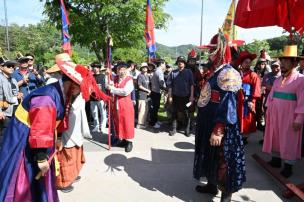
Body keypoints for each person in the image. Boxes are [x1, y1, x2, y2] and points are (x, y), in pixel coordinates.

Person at [0, 53, 110, 201]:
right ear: (70, 84)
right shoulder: (46, 98)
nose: (80, 93)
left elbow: (58, 119)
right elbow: (40, 130)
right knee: (24, 179)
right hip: (24, 138)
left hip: (40, 138)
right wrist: (41, 158)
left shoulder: (63, 94)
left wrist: (57, 138)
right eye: (79, 89)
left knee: (41, 180)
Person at [193, 32, 245, 202]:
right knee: (210, 155)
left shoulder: (228, 73)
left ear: (220, 51)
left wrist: (219, 128)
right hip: (208, 121)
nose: (209, 54)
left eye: (212, 50)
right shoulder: (216, 71)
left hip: (221, 125)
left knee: (224, 160)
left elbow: (228, 103)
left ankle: (226, 196)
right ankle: (211, 185)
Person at [263, 45, 304, 178]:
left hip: (290, 116)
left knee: (289, 139)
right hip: (275, 115)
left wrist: (299, 119)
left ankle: (288, 166)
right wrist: (268, 109)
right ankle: (276, 159)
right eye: (283, 60)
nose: (283, 63)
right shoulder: (278, 80)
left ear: (295, 62)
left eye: (287, 60)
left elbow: (302, 102)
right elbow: (271, 96)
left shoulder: (301, 80)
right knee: (275, 136)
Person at [56, 74, 92, 193]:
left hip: (77, 131)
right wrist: (59, 137)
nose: (78, 87)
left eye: (79, 85)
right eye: (75, 85)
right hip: (66, 132)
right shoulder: (62, 96)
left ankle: (73, 175)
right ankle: (64, 182)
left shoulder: (79, 94)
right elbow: (59, 118)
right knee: (67, 156)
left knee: (76, 154)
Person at [107, 62, 135, 153]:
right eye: (119, 69)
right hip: (116, 105)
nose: (121, 71)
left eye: (123, 69)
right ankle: (122, 139)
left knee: (127, 123)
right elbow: (109, 84)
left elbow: (125, 92)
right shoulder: (115, 78)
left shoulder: (129, 80)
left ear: (127, 70)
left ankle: (129, 141)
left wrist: (112, 89)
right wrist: (107, 75)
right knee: (119, 123)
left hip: (126, 105)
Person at [237, 50, 261, 144]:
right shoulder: (237, 73)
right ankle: (238, 134)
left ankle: (245, 137)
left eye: (249, 63)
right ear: (241, 63)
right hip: (237, 99)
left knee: (246, 118)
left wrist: (252, 101)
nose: (247, 64)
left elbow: (256, 89)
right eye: (245, 62)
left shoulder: (253, 75)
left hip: (248, 100)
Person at [167, 56, 194, 137]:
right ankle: (174, 128)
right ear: (177, 63)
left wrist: (191, 96)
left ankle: (187, 129)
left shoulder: (189, 72)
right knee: (174, 113)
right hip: (175, 96)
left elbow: (192, 85)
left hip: (186, 96)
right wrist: (170, 96)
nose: (180, 63)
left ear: (184, 64)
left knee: (187, 113)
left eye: (182, 61)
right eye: (179, 61)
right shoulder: (173, 72)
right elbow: (170, 86)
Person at [258, 60, 281, 144]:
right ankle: (266, 139)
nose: (275, 68)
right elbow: (263, 87)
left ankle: (275, 141)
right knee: (267, 121)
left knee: (277, 122)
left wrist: (270, 88)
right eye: (273, 66)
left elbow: (280, 90)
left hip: (279, 103)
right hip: (267, 101)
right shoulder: (267, 75)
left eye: (277, 66)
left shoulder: (282, 76)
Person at [0, 60, 23, 135]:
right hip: (4, 112)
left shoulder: (13, 80)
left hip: (14, 110)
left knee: (12, 133)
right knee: (3, 134)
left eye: (13, 66)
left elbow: (15, 94)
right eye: (9, 66)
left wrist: (18, 95)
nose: (11, 68)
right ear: (2, 67)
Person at [90, 62, 107, 133]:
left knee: (103, 113)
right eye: (94, 67)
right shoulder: (91, 77)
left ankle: (103, 127)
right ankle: (96, 126)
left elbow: (106, 86)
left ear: (99, 68)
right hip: (93, 97)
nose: (95, 69)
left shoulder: (104, 76)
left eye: (96, 67)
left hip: (101, 98)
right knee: (94, 113)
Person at [149, 59, 166, 129]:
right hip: (156, 92)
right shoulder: (159, 71)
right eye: (164, 64)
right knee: (155, 108)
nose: (164, 65)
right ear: (161, 64)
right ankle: (153, 123)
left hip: (154, 91)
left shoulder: (156, 70)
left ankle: (155, 121)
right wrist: (167, 88)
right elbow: (161, 83)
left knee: (155, 107)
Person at [137, 62, 151, 129]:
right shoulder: (140, 75)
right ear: (141, 68)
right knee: (141, 110)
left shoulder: (148, 76)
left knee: (146, 109)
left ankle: (144, 122)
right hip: (142, 94)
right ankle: (140, 124)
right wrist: (147, 90)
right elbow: (139, 86)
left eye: (146, 67)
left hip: (147, 95)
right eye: (143, 67)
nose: (145, 68)